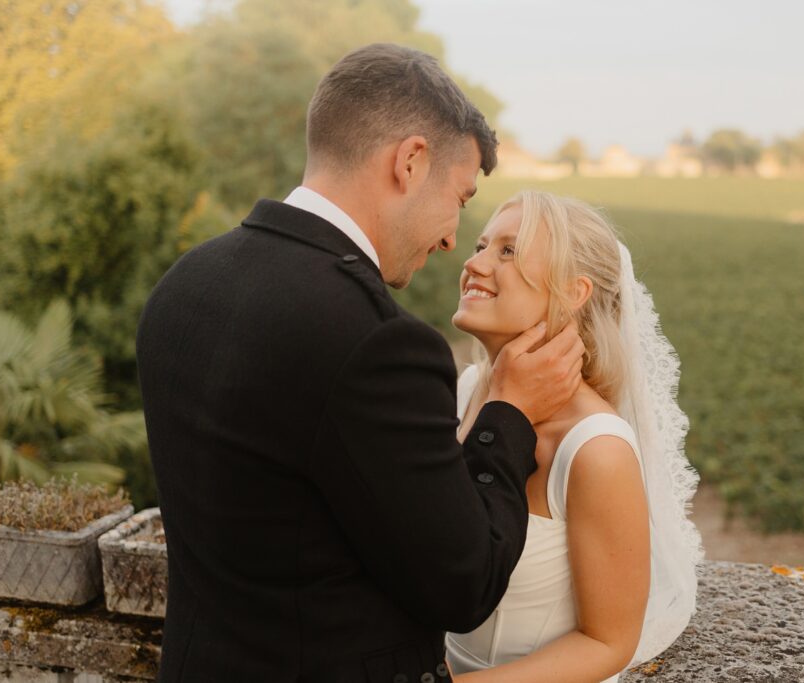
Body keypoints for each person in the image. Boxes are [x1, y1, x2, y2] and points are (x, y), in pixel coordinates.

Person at [135, 45, 585, 683]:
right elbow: (463, 584)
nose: (454, 236)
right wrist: (507, 415)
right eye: (459, 198)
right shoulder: (376, 343)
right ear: (409, 162)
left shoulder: (185, 283)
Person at [445, 191, 704, 682]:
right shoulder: (462, 395)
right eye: (481, 246)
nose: (474, 263)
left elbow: (607, 643)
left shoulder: (594, 449)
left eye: (507, 251)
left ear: (573, 292)